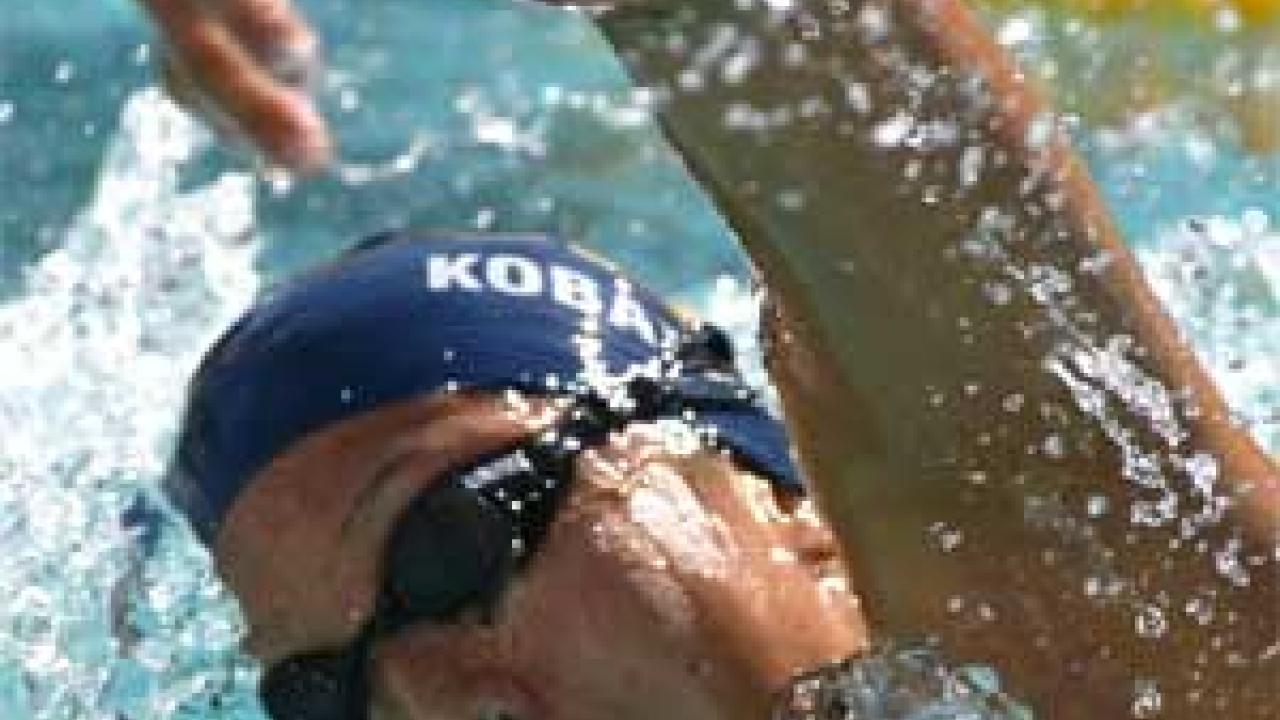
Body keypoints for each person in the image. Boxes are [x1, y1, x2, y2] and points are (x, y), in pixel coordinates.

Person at [137, 0, 1279, 719]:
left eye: (451, 546)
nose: (430, 697)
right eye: (324, 694)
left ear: (787, 503)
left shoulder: (1147, 658)